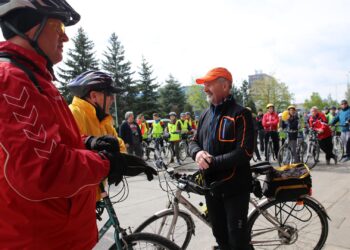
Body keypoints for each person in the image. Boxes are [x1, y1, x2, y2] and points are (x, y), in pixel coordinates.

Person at [0, 1, 156, 249]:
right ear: (32, 29)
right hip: (39, 239)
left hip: (60, 233)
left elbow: (49, 142)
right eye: (59, 25)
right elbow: (42, 170)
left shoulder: (34, 79)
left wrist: (90, 143)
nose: (66, 37)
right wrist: (107, 163)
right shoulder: (11, 81)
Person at [189, 67, 254, 250]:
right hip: (212, 188)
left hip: (235, 188)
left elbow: (245, 152)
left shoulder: (241, 114)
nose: (205, 88)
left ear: (225, 85)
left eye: (209, 84)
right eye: (205, 84)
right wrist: (197, 153)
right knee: (220, 237)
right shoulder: (204, 115)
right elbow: (193, 142)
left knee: (237, 240)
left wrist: (211, 162)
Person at [67, 70, 127, 201]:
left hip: (96, 193)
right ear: (94, 95)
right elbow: (70, 157)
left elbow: (120, 146)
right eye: (109, 94)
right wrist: (108, 159)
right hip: (77, 197)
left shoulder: (103, 120)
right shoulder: (73, 114)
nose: (113, 99)